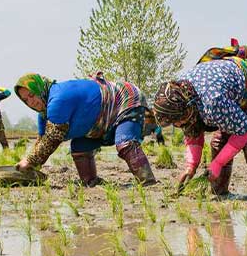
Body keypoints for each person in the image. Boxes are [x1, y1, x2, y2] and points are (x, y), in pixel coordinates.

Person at [152, 42, 247, 198]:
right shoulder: (183, 93)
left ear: (187, 108)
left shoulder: (212, 101)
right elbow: (193, 132)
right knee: (218, 143)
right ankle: (219, 192)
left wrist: (217, 164)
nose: (178, 125)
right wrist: (190, 167)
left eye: (178, 121)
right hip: (239, 97)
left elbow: (244, 131)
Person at [13, 72, 156, 186]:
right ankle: (91, 181)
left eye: (32, 95)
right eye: (26, 100)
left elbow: (52, 139)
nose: (31, 101)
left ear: (39, 89)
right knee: (79, 146)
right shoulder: (44, 113)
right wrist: (30, 165)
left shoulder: (57, 100)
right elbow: (41, 140)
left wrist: (30, 162)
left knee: (125, 143)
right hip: (99, 121)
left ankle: (147, 182)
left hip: (124, 99)